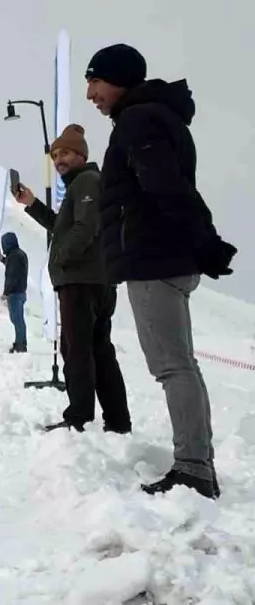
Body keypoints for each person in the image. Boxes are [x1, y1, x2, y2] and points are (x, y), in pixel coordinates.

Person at [86, 44, 237, 498]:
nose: (91, 93)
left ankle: (193, 469)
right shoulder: (152, 117)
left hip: (155, 259)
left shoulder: (138, 120)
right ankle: (197, 464)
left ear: (119, 79)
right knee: (180, 366)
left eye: (95, 81)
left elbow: (165, 188)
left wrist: (204, 242)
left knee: (173, 368)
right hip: (165, 257)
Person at [14, 124, 131, 434]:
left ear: (81, 154)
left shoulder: (88, 182)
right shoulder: (81, 184)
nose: (58, 159)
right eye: (54, 154)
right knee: (98, 350)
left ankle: (77, 418)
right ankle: (117, 421)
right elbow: (63, 226)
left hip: (82, 282)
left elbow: (85, 227)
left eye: (64, 152)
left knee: (77, 350)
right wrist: (32, 204)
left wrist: (62, 258)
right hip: (94, 280)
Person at [0, 232, 28, 353]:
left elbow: (12, 275)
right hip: (22, 291)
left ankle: (20, 344)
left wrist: (6, 292)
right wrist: (0, 258)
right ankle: (21, 341)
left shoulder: (14, 256)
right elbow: (11, 265)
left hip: (14, 293)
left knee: (16, 319)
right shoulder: (20, 254)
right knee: (19, 319)